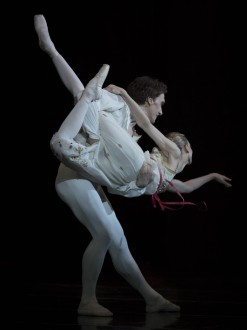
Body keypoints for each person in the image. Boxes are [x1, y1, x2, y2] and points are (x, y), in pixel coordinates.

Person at [34, 14, 180, 317]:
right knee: (104, 235)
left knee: (119, 241)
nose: (162, 111)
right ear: (150, 100)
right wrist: (52, 50)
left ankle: (150, 298)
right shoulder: (118, 105)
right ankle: (87, 300)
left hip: (90, 179)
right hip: (74, 175)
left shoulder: (132, 130)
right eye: (162, 103)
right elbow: (80, 93)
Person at [50, 63, 232, 205]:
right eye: (160, 104)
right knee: (94, 111)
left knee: (104, 170)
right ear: (187, 147)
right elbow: (145, 124)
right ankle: (87, 98)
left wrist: (213, 176)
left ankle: (86, 98)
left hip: (131, 181)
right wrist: (123, 93)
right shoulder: (175, 154)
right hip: (136, 168)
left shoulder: (168, 179)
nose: (161, 112)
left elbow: (187, 187)